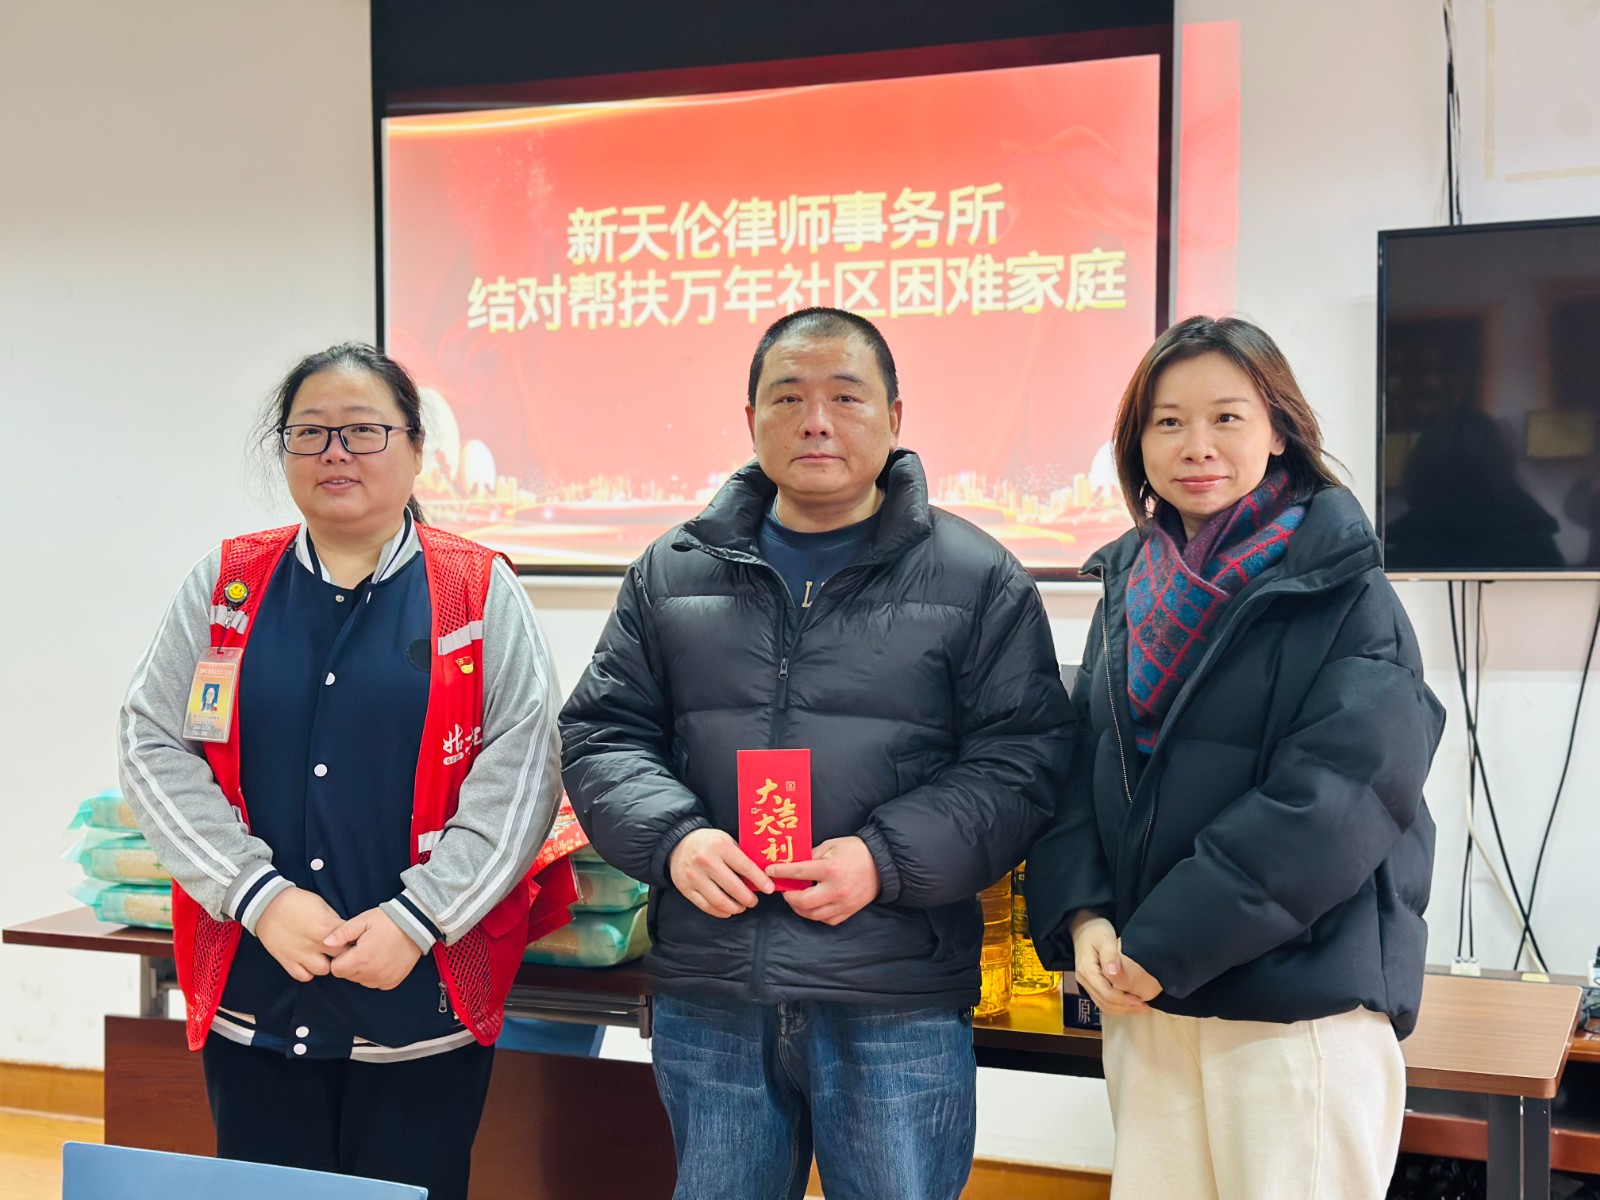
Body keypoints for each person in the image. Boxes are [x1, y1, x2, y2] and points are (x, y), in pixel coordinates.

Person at [560, 307, 1072, 1200]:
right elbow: (604, 733)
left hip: (893, 990)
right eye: (788, 398)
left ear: (895, 417)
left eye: (846, 396)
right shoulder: (672, 570)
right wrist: (677, 839)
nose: (816, 422)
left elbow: (1021, 761)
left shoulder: (977, 576)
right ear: (751, 417)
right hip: (714, 987)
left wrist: (882, 860)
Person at [117, 342, 564, 1200]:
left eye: (362, 431)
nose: (335, 453)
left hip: (420, 993)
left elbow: (524, 775)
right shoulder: (228, 586)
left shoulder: (477, 591)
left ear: (415, 447)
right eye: (310, 432)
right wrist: (258, 896)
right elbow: (151, 743)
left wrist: (418, 918)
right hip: (259, 986)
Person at [1026, 316, 1444, 1200]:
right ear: (1138, 444)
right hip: (1147, 999)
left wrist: (1167, 944)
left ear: (1279, 430)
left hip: (1295, 1012)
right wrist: (1086, 918)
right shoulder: (1127, 588)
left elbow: (1336, 801)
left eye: (1227, 417)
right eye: (1168, 422)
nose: (1197, 446)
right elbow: (1083, 768)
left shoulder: (1348, 592)